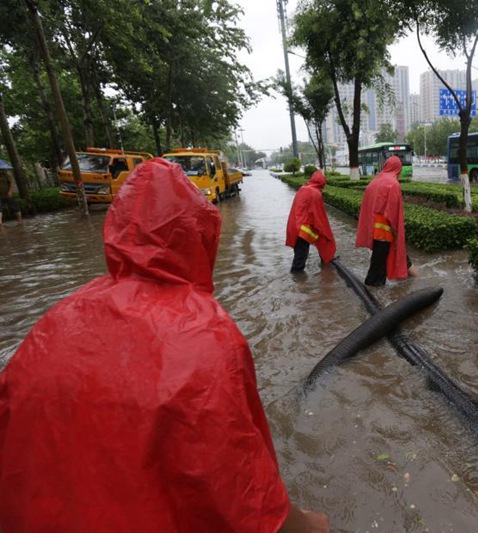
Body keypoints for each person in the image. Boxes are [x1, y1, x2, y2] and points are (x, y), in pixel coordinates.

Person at [0, 159, 329, 532]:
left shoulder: (52, 324)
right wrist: (302, 525)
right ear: (199, 234)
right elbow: (240, 483)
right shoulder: (206, 335)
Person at [355, 155, 419, 286]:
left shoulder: (374, 181)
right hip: (385, 232)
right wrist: (397, 235)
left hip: (373, 231)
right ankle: (373, 292)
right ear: (398, 169)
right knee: (377, 271)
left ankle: (419, 279)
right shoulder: (393, 184)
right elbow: (392, 214)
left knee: (396, 258)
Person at [285, 170, 336, 273]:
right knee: (300, 261)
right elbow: (319, 217)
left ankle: (298, 283)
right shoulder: (315, 193)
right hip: (304, 230)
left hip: (294, 226)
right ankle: (298, 282)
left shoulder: (303, 188)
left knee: (299, 255)